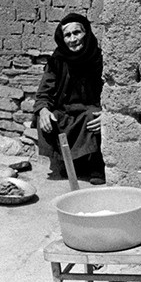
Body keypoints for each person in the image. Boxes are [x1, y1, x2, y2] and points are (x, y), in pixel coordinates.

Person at [33, 13, 105, 185]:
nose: (73, 39)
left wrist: (108, 114)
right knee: (46, 117)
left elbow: (114, 93)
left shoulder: (99, 59)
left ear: (86, 33)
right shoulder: (56, 61)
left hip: (90, 110)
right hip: (65, 112)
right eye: (68, 35)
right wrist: (43, 110)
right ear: (62, 38)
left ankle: (96, 165)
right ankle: (68, 162)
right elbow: (43, 94)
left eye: (77, 33)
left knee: (93, 117)